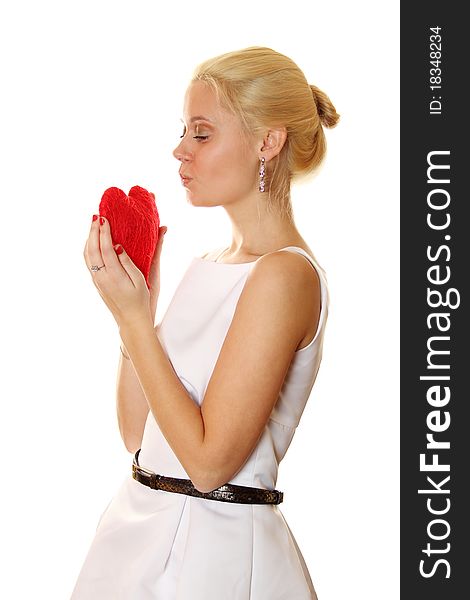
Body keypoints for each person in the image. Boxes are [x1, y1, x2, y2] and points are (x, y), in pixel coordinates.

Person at [73, 45, 339, 599]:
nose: (179, 150)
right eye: (184, 132)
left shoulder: (286, 276)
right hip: (137, 537)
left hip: (214, 560)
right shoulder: (209, 264)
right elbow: (135, 433)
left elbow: (209, 463)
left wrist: (136, 324)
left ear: (268, 142)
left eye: (201, 133)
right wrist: (136, 316)